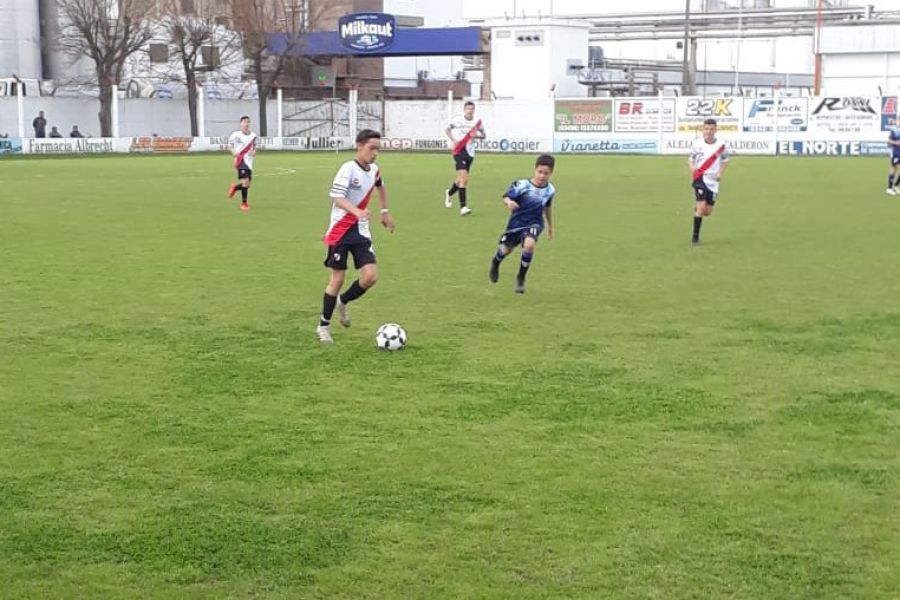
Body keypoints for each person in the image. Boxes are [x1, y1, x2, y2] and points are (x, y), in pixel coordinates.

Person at [316, 129, 395, 344]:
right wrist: (357, 211)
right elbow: (336, 196)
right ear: (359, 146)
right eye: (372, 148)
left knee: (370, 277)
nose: (375, 153)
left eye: (378, 149)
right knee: (338, 278)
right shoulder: (348, 168)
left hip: (361, 231)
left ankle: (343, 301)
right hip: (341, 230)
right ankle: (323, 326)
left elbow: (381, 186)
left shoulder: (375, 170)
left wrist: (384, 212)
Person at [489, 154, 556, 294]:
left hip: (535, 223)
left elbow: (547, 207)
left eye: (546, 173)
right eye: (540, 172)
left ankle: (521, 277)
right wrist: (509, 202)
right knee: (506, 250)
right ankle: (496, 262)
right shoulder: (521, 185)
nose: (542, 176)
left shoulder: (550, 190)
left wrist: (550, 226)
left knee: (529, 245)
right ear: (535, 169)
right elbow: (506, 196)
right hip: (516, 223)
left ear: (551, 173)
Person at [689, 118, 729, 245]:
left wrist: (720, 173)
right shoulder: (697, 144)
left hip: (713, 181)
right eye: (706, 129)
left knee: (708, 212)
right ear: (703, 130)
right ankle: (695, 237)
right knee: (701, 207)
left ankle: (699, 209)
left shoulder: (722, 145)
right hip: (700, 178)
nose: (709, 131)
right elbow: (690, 160)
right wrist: (693, 169)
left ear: (715, 130)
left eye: (711, 129)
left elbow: (725, 161)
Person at [444, 100, 486, 216]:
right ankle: (463, 207)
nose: (470, 111)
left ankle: (449, 192)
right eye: (468, 109)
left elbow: (484, 135)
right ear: (464, 110)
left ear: (474, 110)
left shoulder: (477, 122)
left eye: (472, 109)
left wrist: (476, 135)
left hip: (470, 153)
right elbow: (447, 129)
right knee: (464, 179)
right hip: (458, 150)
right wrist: (453, 140)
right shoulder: (457, 120)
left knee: (461, 179)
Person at [226, 116, 256, 211]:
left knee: (247, 184)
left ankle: (235, 187)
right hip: (240, 160)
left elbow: (254, 147)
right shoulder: (235, 135)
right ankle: (244, 203)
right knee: (245, 181)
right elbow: (229, 145)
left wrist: (254, 152)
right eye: (244, 122)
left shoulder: (253, 135)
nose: (246, 124)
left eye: (248, 122)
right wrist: (233, 151)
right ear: (241, 124)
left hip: (249, 161)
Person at [886, 119, 900, 195]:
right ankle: (889, 188)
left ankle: (896, 185)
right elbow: (889, 141)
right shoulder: (894, 130)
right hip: (896, 153)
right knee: (894, 168)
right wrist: (896, 143)